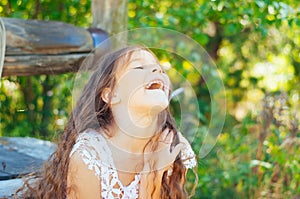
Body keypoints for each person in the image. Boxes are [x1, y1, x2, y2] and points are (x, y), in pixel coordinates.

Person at [17, 46, 197, 199]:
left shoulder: (171, 145)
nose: (157, 71)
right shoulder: (90, 156)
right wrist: (152, 174)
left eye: (159, 69)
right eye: (139, 67)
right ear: (110, 95)